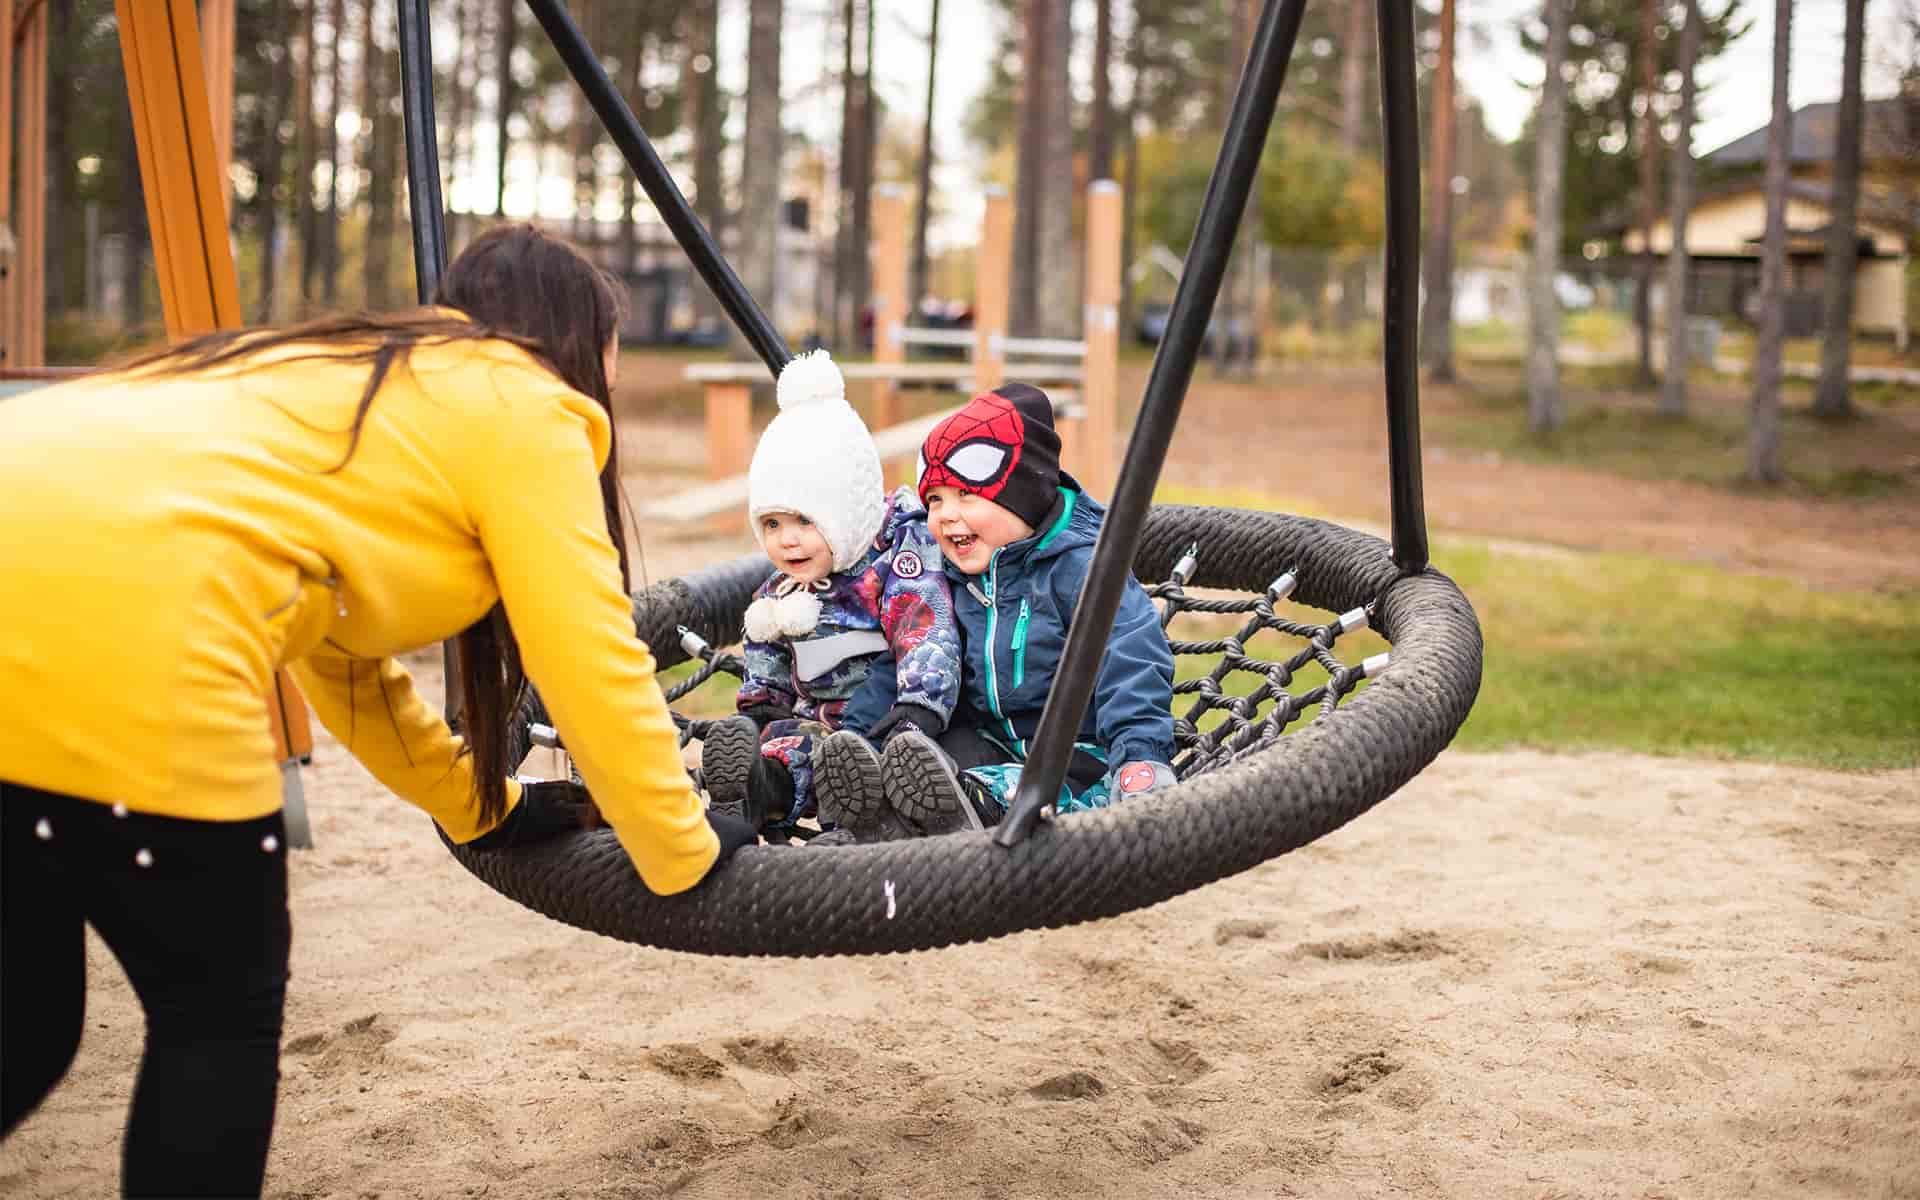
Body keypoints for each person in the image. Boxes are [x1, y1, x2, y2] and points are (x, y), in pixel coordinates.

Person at [0, 223, 755, 1197]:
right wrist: (679, 848)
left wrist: (481, 806)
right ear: (573, 344)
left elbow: (339, 661)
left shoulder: (338, 373)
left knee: (28, 1017)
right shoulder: (522, 402)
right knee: (213, 1015)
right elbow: (591, 657)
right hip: (142, 642)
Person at [840, 383, 1179, 839]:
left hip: (1079, 752)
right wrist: (862, 737)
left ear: (1022, 496)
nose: (943, 515)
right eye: (935, 499)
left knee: (1030, 787)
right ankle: (881, 815)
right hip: (990, 742)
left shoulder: (1083, 568)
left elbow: (1131, 652)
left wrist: (1140, 753)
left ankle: (966, 807)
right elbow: (911, 656)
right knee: (919, 755)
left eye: (964, 495)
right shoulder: (951, 580)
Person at [700, 350, 962, 843]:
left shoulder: (892, 566)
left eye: (804, 522)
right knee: (789, 746)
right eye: (772, 525)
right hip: (817, 726)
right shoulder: (779, 590)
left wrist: (920, 706)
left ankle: (850, 824)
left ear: (845, 515)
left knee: (858, 762)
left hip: (888, 721)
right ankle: (756, 790)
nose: (787, 540)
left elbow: (925, 630)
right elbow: (768, 657)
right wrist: (761, 709)